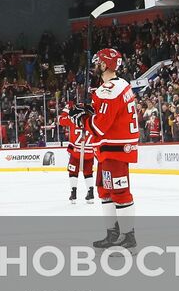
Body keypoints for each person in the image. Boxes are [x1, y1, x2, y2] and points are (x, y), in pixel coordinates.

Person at [87, 48, 139, 249]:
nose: (94, 66)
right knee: (105, 191)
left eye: (97, 62)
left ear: (104, 64)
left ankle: (128, 236)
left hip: (114, 148)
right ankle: (113, 233)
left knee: (119, 192)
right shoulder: (119, 85)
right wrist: (90, 109)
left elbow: (100, 126)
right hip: (108, 149)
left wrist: (83, 118)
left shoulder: (109, 89)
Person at [60, 102, 96, 203]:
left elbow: (60, 120)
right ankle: (91, 193)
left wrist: (66, 108)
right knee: (88, 173)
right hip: (89, 152)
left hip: (76, 152)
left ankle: (73, 193)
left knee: (73, 172)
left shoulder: (72, 119)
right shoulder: (93, 119)